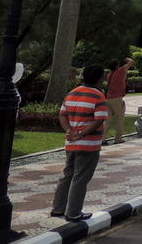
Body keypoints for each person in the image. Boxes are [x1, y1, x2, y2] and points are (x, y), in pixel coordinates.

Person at [51, 65, 109, 222]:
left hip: (70, 143)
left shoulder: (72, 93)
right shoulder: (98, 96)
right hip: (88, 144)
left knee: (67, 175)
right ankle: (73, 212)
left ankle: (58, 208)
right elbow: (99, 119)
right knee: (80, 177)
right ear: (99, 78)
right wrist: (82, 133)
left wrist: (69, 130)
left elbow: (62, 115)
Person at [105, 57, 134, 144]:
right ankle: (118, 139)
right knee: (120, 119)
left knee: (107, 120)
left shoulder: (109, 75)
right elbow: (131, 62)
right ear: (117, 66)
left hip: (108, 99)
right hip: (117, 99)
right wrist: (126, 59)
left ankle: (102, 138)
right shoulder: (120, 71)